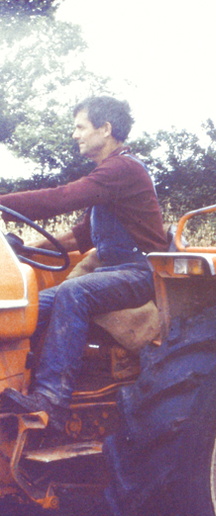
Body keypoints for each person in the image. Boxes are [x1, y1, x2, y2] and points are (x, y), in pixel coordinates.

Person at [0, 96, 168, 429]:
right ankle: (17, 383)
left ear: (105, 129)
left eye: (80, 127)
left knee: (73, 292)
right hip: (111, 271)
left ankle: (51, 400)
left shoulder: (123, 168)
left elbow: (62, 197)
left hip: (139, 272)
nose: (75, 134)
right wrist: (24, 249)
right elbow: (80, 237)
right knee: (31, 305)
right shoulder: (109, 176)